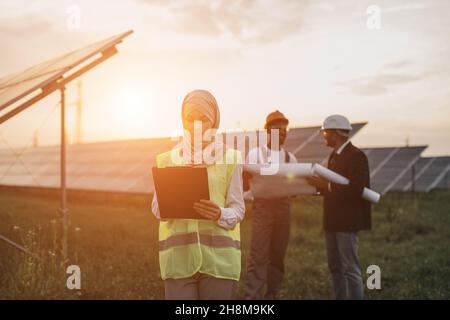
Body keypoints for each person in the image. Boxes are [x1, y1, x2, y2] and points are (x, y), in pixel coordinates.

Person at [151, 90, 245, 300]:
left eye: (204, 119)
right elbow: (157, 208)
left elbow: (238, 210)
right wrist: (171, 204)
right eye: (190, 119)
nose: (197, 126)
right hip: (178, 261)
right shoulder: (167, 159)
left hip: (220, 262)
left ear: (215, 120)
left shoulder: (231, 158)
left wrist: (219, 213)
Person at [306, 114, 372, 300]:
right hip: (332, 221)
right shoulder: (334, 156)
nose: (324, 136)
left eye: (326, 132)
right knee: (335, 267)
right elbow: (333, 188)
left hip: (347, 222)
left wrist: (324, 185)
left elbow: (356, 189)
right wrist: (318, 187)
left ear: (336, 134)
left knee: (350, 269)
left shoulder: (356, 156)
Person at [244, 110, 297, 300]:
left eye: (284, 130)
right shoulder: (256, 154)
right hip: (263, 208)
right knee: (258, 254)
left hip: (284, 208)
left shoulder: (291, 158)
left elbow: (294, 188)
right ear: (268, 131)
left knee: (278, 254)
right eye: (277, 130)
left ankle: (272, 294)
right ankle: (252, 297)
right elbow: (247, 181)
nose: (282, 133)